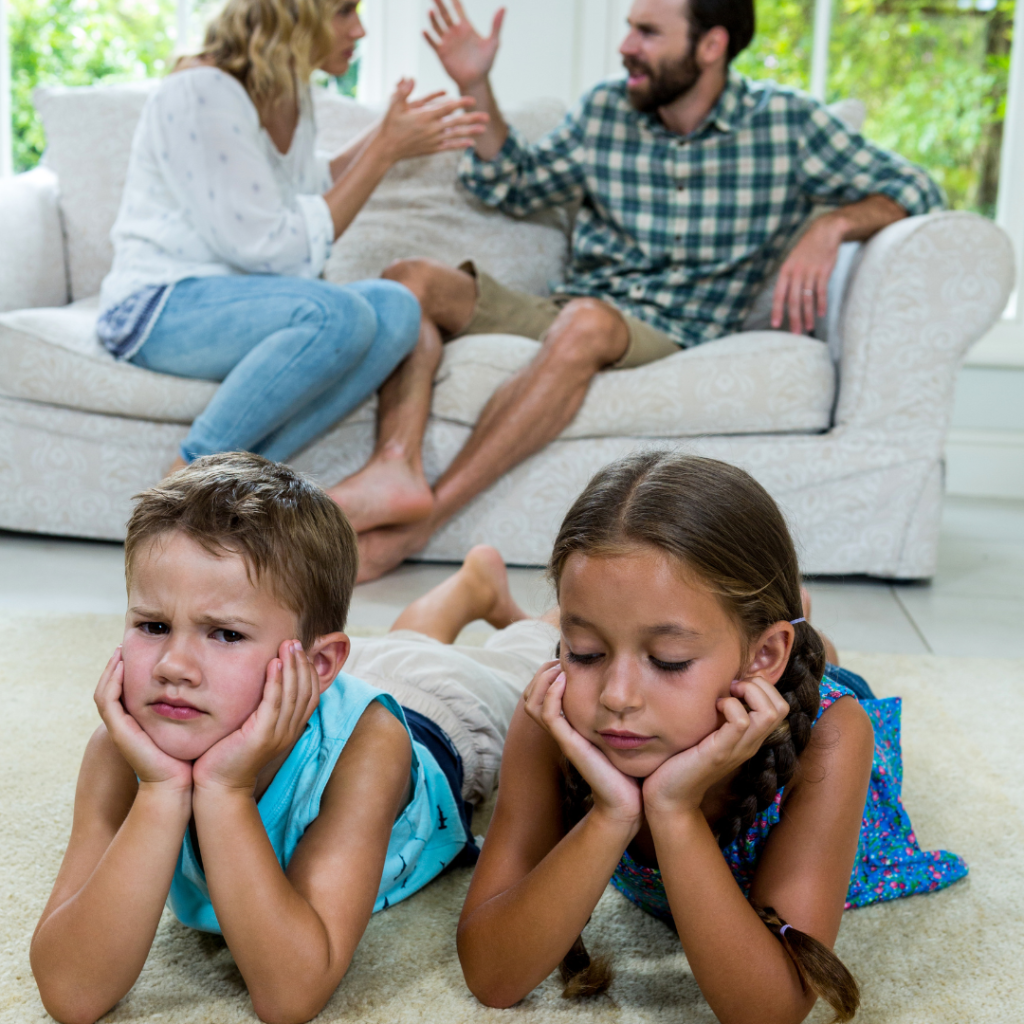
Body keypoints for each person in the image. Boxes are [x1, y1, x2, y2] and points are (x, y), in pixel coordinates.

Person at [328, 0, 944, 581]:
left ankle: (421, 525)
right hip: (571, 306)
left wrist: (832, 224)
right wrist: (475, 83)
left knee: (589, 323)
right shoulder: (605, 110)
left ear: (712, 45)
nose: (626, 46)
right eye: (629, 27)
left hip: (669, 326)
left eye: (648, 33)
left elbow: (917, 189)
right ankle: (396, 466)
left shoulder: (786, 124)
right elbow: (512, 184)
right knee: (410, 280)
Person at [29, 452, 555, 1024]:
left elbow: (292, 995)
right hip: (310, 681)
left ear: (318, 662)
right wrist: (159, 791)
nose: (173, 665)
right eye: (153, 626)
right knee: (404, 646)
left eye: (225, 633)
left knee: (529, 657)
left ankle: (517, 609)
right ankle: (471, 588)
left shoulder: (370, 747)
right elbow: (71, 994)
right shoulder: (117, 753)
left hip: (442, 716)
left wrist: (224, 792)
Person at [456, 451, 966, 1022]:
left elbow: (770, 1010)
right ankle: (764, 624)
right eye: (585, 650)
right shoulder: (552, 716)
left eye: (669, 659)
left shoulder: (832, 736)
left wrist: (672, 811)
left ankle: (798, 632)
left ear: (762, 657)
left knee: (830, 668)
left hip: (787, 705)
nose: (616, 696)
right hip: (749, 663)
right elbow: (492, 976)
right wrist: (612, 813)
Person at [96, 0, 487, 477]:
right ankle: (185, 478)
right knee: (335, 314)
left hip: (243, 304)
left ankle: (238, 478)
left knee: (397, 308)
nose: (359, 29)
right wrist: (383, 152)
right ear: (294, 16)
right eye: (344, 11)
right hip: (157, 306)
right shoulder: (201, 91)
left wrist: (387, 135)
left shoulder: (289, 92)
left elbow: (306, 188)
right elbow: (278, 253)